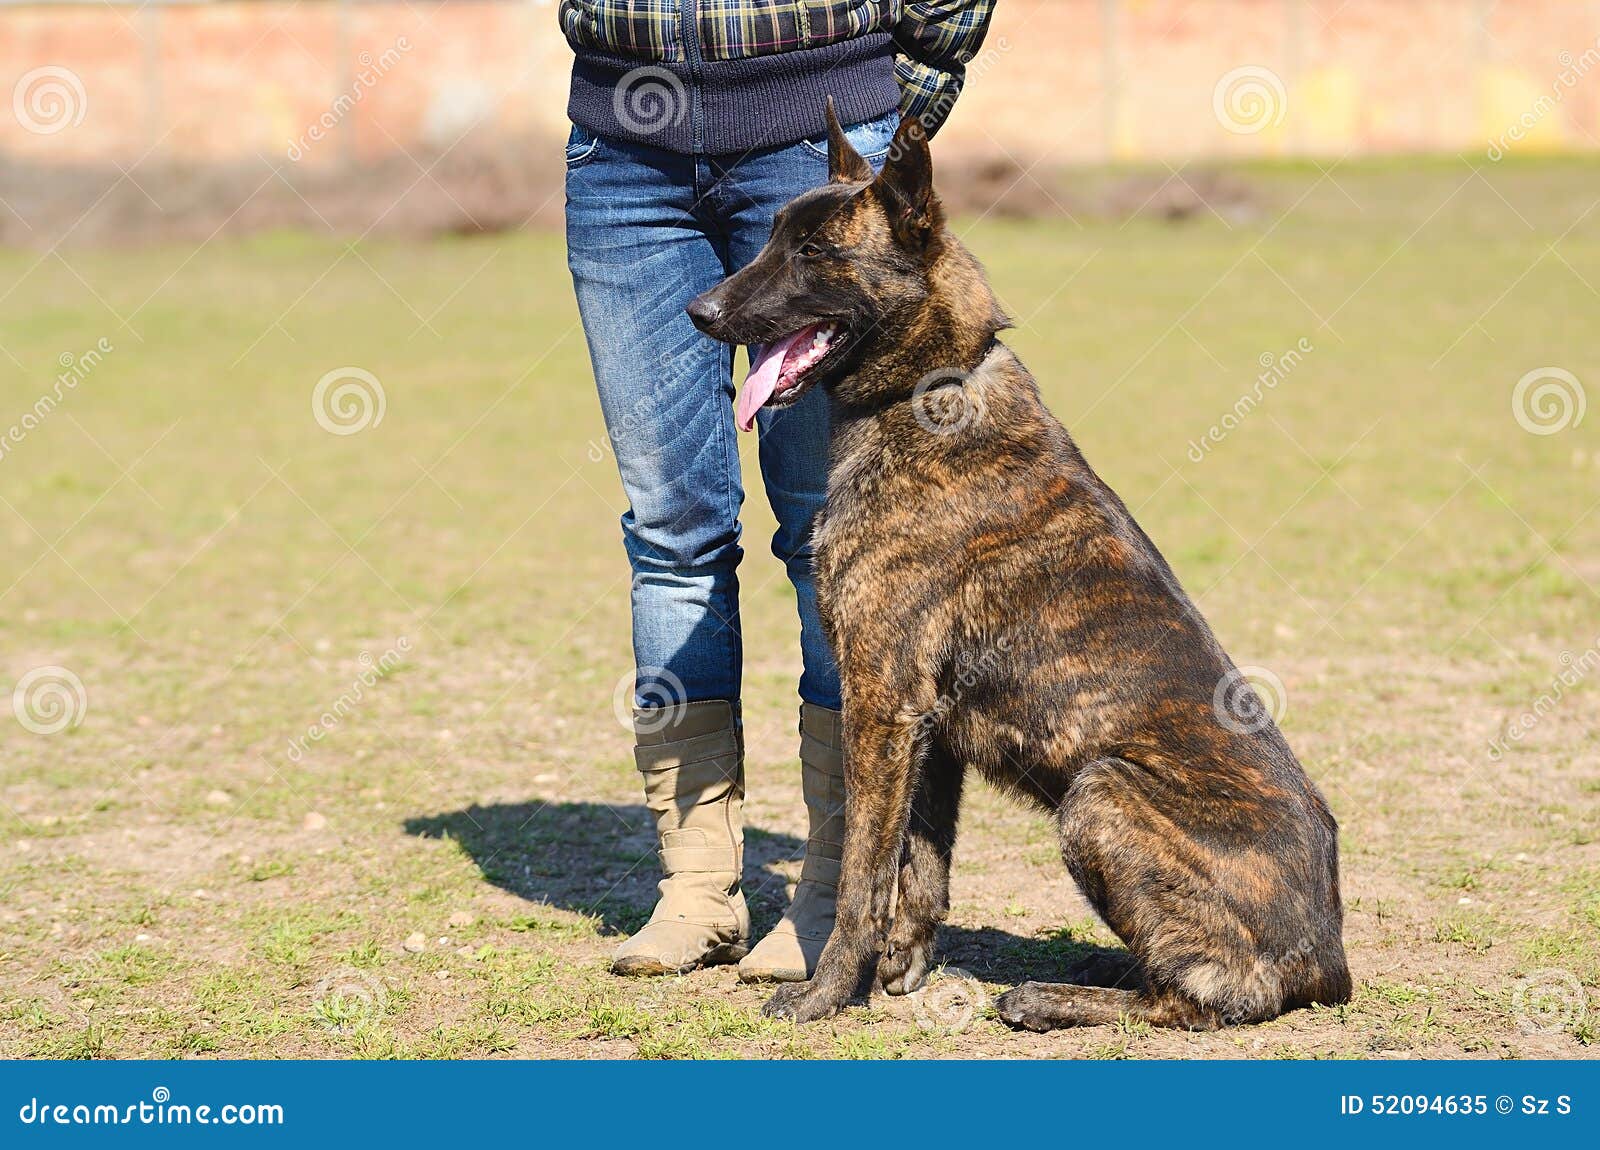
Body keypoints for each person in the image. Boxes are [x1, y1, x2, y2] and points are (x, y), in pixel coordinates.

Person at [561, 1, 997, 982]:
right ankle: (697, 889)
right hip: (622, 158)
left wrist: (890, 113)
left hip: (813, 134)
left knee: (825, 531)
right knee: (668, 530)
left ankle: (836, 891)